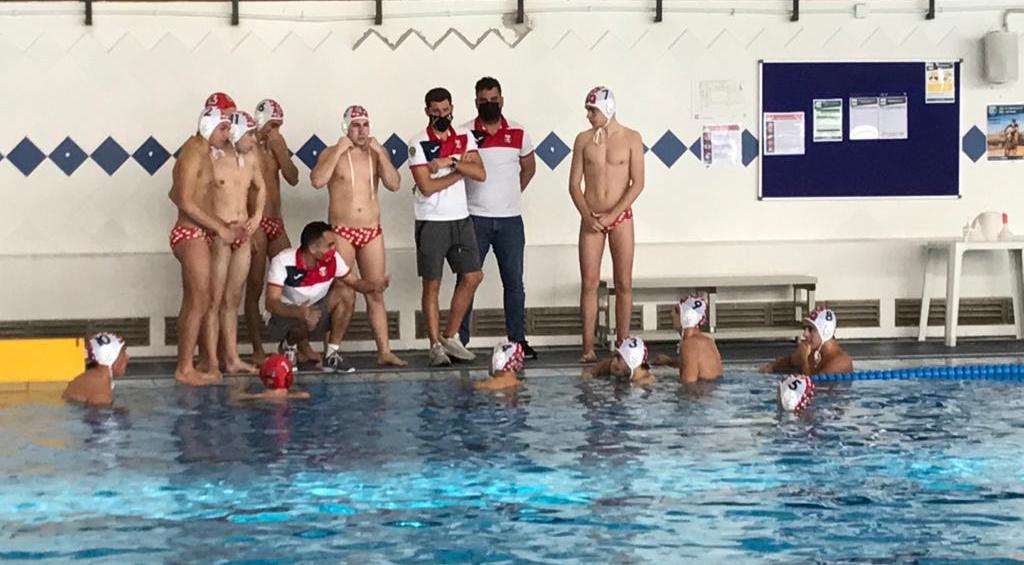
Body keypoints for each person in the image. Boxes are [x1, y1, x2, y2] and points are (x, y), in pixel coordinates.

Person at [310, 105, 406, 367]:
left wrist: (381, 156)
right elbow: (317, 180)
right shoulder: (332, 152)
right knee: (341, 289)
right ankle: (331, 350)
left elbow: (395, 184)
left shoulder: (377, 154)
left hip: (372, 230)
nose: (361, 130)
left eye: (365, 125)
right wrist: (339, 150)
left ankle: (384, 351)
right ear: (345, 128)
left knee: (375, 291)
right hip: (342, 230)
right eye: (355, 125)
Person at [455, 77, 538, 358]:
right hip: (474, 219)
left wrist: (510, 195)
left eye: (493, 100)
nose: (489, 105)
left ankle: (517, 341)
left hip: (510, 220)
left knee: (514, 282)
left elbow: (528, 169)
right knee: (467, 280)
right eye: (483, 101)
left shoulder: (518, 132)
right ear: (476, 101)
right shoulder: (464, 132)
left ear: (502, 100)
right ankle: (459, 341)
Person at [407, 87, 487, 366]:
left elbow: (480, 173)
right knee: (432, 285)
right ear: (427, 111)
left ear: (452, 107)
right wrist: (458, 171)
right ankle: (434, 345)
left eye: (446, 110)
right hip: (432, 221)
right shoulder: (418, 144)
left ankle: (450, 335)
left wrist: (450, 163)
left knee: (473, 276)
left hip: (461, 218)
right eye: (436, 111)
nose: (442, 115)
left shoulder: (465, 138)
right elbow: (427, 187)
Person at [168, 100, 243, 385]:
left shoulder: (202, 152)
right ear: (208, 126)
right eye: (223, 128)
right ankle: (184, 368)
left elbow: (174, 194)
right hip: (190, 234)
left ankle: (192, 363)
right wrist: (219, 228)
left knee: (196, 300)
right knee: (199, 300)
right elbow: (185, 200)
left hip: (200, 233)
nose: (227, 135)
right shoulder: (193, 153)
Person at [568, 86, 645, 363]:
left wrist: (613, 215)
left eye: (593, 110)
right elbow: (574, 185)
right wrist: (587, 214)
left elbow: (638, 184)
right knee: (589, 283)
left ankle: (623, 345)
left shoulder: (631, 139)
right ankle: (587, 348)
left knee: (623, 283)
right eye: (588, 110)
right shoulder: (582, 140)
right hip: (591, 218)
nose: (588, 115)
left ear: (608, 109)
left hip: (620, 218)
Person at [264, 221, 389, 373]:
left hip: (314, 313)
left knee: (346, 293)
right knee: (304, 318)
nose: (334, 249)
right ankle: (288, 346)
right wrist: (298, 312)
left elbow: (355, 283)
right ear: (312, 248)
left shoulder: (333, 260)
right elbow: (271, 303)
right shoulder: (283, 261)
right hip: (282, 319)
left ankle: (331, 355)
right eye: (329, 245)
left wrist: (373, 287)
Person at [199, 110, 266, 377]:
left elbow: (261, 188)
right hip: (221, 235)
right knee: (213, 300)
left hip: (243, 235)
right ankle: (212, 360)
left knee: (233, 299)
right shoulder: (213, 159)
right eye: (250, 134)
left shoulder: (250, 158)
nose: (254, 140)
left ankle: (232, 358)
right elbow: (199, 196)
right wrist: (216, 226)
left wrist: (257, 216)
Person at [245, 98, 300, 365]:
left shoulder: (278, 144)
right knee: (255, 287)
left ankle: (295, 342)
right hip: (255, 224)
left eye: (279, 126)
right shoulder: (247, 145)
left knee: (295, 281)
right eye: (272, 125)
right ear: (260, 122)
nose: (275, 130)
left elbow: (293, 177)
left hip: (276, 222)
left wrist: (281, 151)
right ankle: (257, 347)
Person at [760, 306, 853, 375]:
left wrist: (804, 361)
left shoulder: (840, 362)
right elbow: (788, 361)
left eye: (810, 329)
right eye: (805, 328)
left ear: (825, 332)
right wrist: (771, 366)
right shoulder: (812, 352)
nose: (805, 334)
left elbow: (813, 389)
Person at [651, 295, 722, 383]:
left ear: (686, 316)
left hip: (700, 391)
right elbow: (694, 364)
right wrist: (669, 362)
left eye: (677, 311)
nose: (671, 314)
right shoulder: (707, 341)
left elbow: (688, 386)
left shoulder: (689, 345)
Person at [62, 333, 129, 406]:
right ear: (112, 357)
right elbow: (100, 415)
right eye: (123, 352)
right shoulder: (101, 390)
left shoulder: (83, 378)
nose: (127, 357)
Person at [231, 353, 310, 401]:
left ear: (262, 376)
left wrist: (246, 382)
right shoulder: (300, 396)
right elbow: (305, 394)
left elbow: (234, 396)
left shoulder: (257, 397)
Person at [580, 335, 654, 385]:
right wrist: (591, 372)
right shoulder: (624, 367)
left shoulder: (645, 384)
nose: (614, 360)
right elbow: (607, 364)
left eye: (618, 357)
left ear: (631, 361)